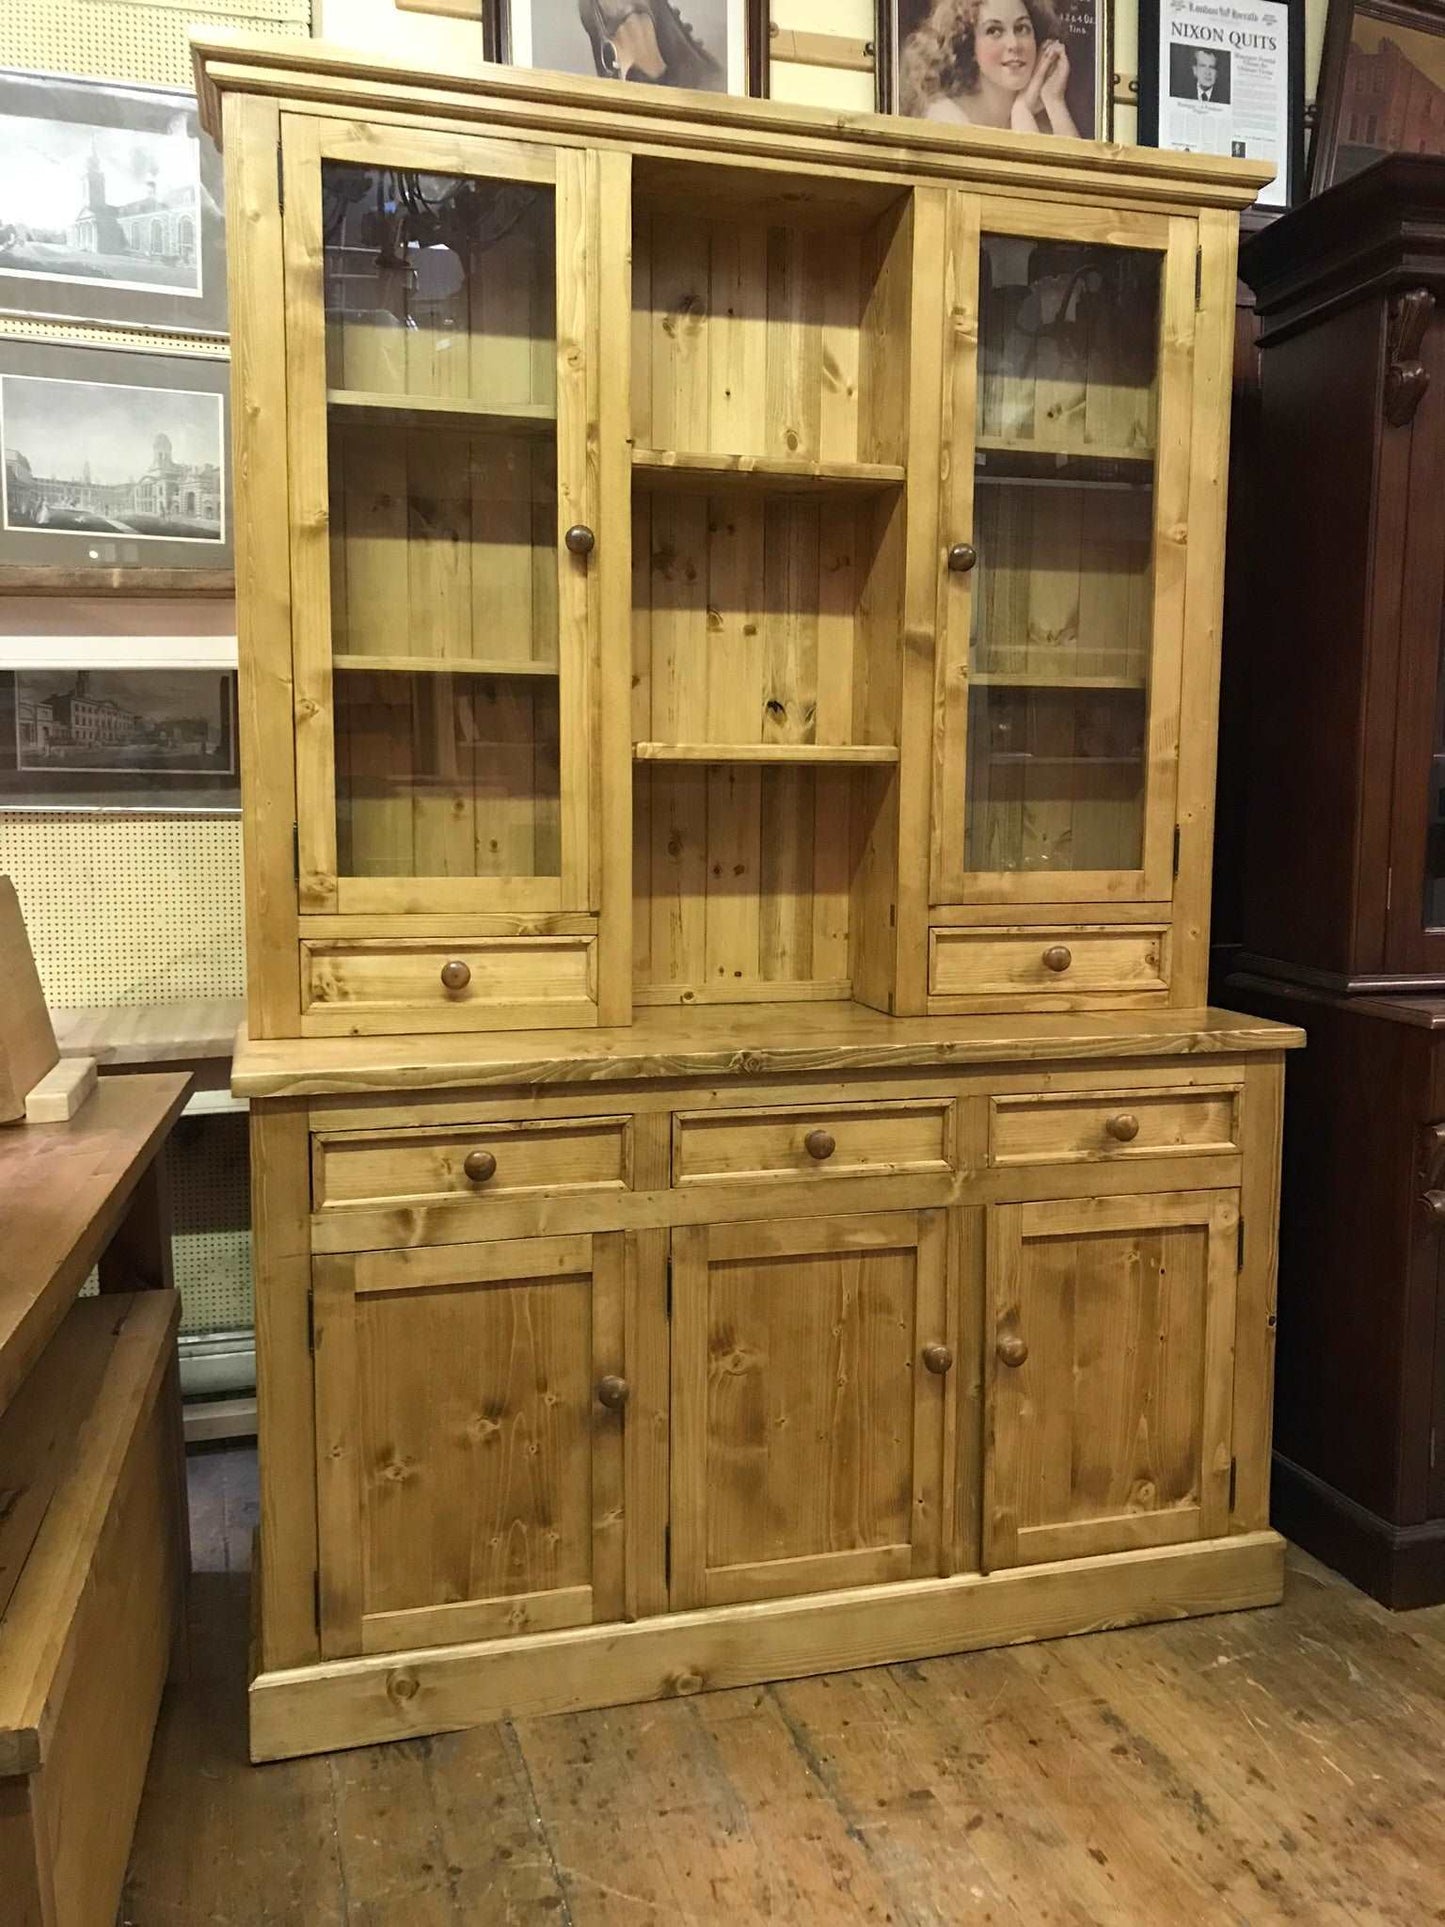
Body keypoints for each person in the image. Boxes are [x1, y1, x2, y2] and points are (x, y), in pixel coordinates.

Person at [900, 0, 1080, 137]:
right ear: (969, 43)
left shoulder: (1042, 118)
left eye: (1021, 28)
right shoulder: (947, 119)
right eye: (994, 31)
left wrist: (1054, 100)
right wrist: (1021, 111)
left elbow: (1080, 180)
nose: (1014, 44)